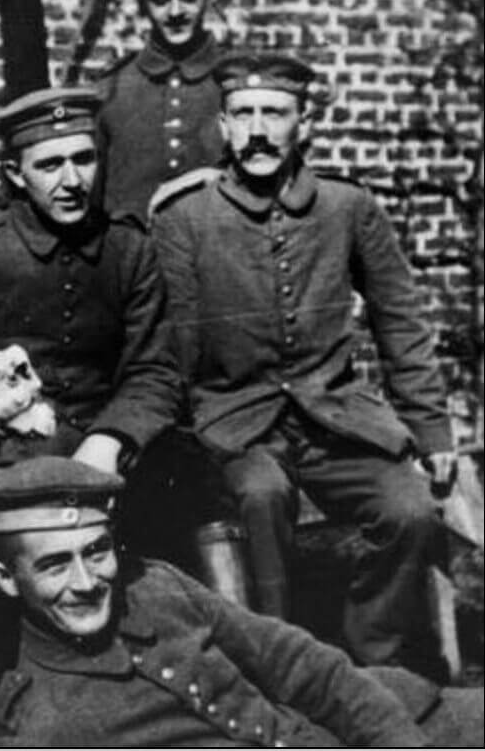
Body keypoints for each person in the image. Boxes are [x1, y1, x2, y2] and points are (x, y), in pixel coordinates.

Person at [149, 51, 456, 679]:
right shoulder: (185, 220)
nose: (259, 130)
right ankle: (284, 666)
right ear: (224, 126)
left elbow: (399, 318)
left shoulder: (348, 208)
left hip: (337, 417)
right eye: (244, 114)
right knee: (261, 499)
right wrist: (180, 443)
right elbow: (171, 347)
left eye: (275, 113)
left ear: (304, 124)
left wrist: (432, 432)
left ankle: (377, 660)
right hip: (236, 422)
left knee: (411, 512)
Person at [0, 458, 483, 747]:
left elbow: (300, 663)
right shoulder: (38, 728)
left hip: (375, 722)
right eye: (54, 565)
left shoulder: (154, 587)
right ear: (6, 578)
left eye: (96, 552)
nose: (86, 581)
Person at [0, 86, 183, 481]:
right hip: (11, 450)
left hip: (114, 440)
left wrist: (112, 436)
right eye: (50, 165)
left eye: (84, 160)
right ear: (14, 174)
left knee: (203, 494)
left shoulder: (128, 247)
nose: (72, 180)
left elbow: (154, 368)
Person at [97, 0, 224, 221]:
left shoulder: (234, 81)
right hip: (134, 258)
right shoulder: (112, 89)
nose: (176, 11)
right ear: (143, 5)